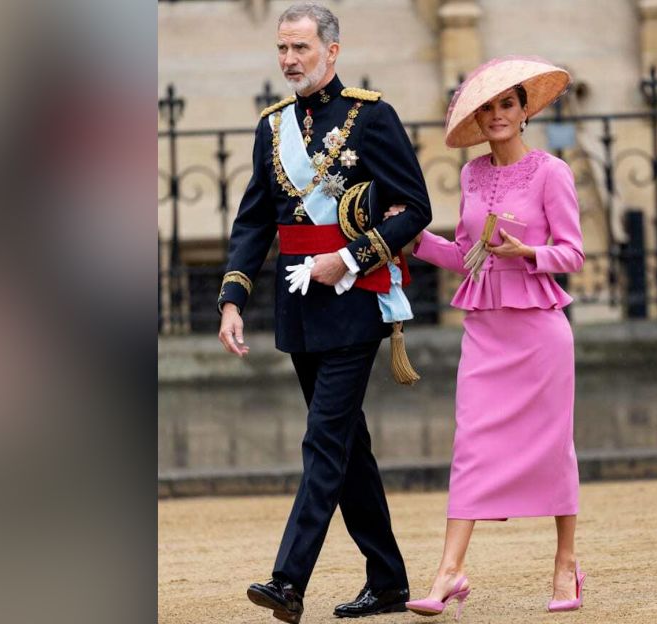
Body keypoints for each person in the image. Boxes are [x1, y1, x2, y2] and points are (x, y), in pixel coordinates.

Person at [216, 4, 431, 622]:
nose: (289, 61)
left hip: (355, 302)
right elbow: (255, 220)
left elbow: (415, 207)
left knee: (323, 440)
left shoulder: (373, 117)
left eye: (301, 49)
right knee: (347, 447)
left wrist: (354, 258)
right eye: (282, 49)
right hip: (299, 307)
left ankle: (288, 581)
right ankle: (388, 581)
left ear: (331, 52)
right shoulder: (272, 125)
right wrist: (233, 297)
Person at [402, 56, 587, 618]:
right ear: (477, 120)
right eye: (487, 108)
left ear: (524, 110)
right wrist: (410, 239)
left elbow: (574, 254)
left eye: (507, 104)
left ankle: (565, 563)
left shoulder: (553, 172)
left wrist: (527, 251)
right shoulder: (470, 175)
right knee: (471, 445)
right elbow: (467, 255)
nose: (498, 115)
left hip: (539, 332)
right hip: (485, 331)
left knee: (554, 447)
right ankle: (449, 572)